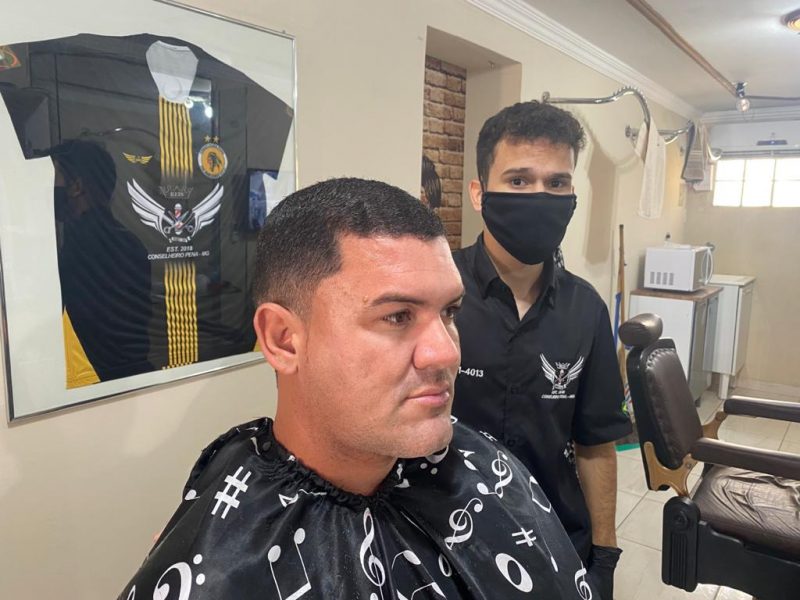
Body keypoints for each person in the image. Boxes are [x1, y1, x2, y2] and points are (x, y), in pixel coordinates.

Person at [117, 178, 597, 599]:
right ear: (283, 340)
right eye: (397, 316)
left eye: (450, 312)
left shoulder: (483, 468)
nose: (446, 353)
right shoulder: (218, 561)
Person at [452, 102, 632, 599]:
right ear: (478, 193)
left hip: (555, 539)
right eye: (518, 180)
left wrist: (605, 555)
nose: (539, 196)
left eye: (556, 183)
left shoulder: (586, 310)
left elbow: (596, 444)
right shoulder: (435, 296)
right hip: (447, 540)